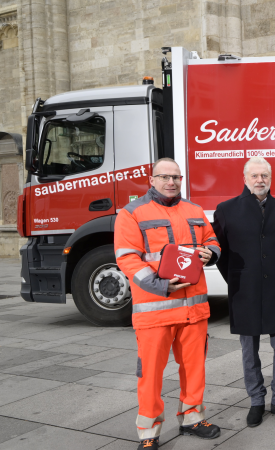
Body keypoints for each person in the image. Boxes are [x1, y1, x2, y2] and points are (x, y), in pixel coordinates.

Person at [114, 158, 221, 450]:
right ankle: (149, 433)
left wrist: (211, 252)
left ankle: (192, 418)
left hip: (193, 309)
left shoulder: (195, 210)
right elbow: (127, 258)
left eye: (176, 177)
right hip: (155, 310)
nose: (171, 182)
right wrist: (161, 285)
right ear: (152, 180)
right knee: (150, 375)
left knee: (194, 368)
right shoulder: (131, 213)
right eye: (164, 177)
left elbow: (212, 239)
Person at [213, 157, 275, 427]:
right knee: (249, 349)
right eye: (254, 176)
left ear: (271, 178)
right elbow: (220, 252)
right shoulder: (226, 209)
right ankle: (256, 401)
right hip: (245, 289)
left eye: (264, 175)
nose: (259, 180)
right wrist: (237, 279)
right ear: (245, 178)